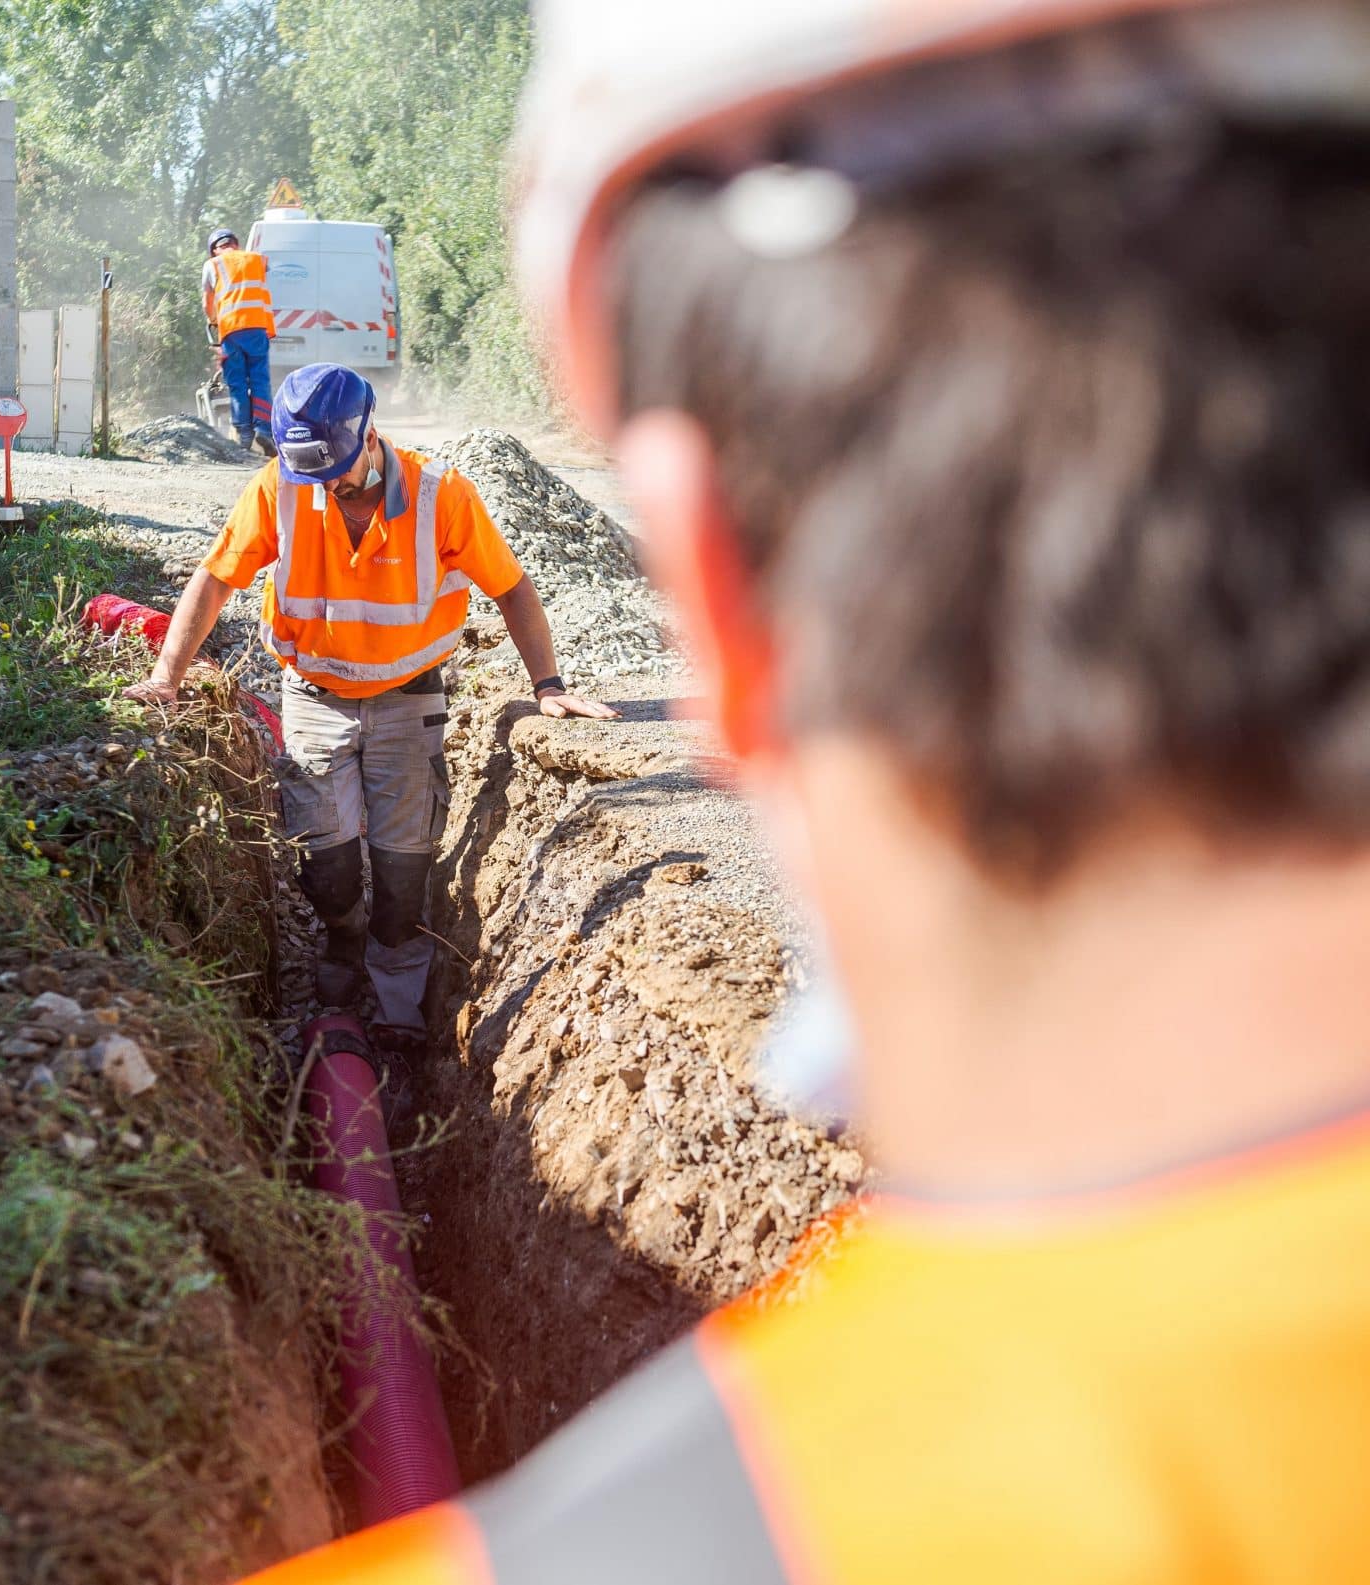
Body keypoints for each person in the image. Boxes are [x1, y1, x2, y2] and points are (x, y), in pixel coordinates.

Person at [236, 0, 1370, 1580]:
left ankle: (396, 1016)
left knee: (408, 874)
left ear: (720, 603)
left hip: (412, 715)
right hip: (332, 708)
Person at [125, 363, 616, 1082]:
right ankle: (340, 941)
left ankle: (396, 996)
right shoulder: (280, 491)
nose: (324, 487)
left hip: (408, 701)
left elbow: (512, 588)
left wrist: (548, 685)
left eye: (336, 473)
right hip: (315, 696)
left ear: (369, 435)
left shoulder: (441, 496)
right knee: (325, 861)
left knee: (402, 866)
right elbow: (216, 577)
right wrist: (166, 676)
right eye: (310, 474)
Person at [203, 226, 277, 452]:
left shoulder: (212, 265)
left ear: (215, 249)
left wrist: (214, 320)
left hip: (231, 331)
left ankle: (244, 434)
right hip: (257, 328)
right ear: (235, 243)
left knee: (236, 384)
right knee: (260, 382)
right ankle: (264, 430)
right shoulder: (257, 259)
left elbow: (208, 304)